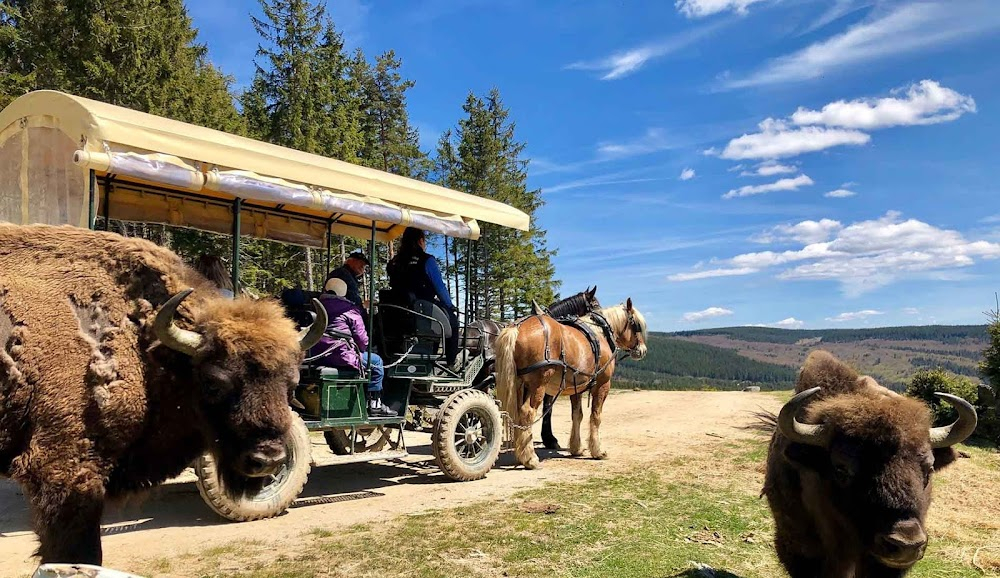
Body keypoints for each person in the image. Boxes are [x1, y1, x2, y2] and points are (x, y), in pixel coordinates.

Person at [310, 277, 393, 417]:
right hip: (340, 356)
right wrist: (363, 349)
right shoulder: (349, 309)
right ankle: (375, 404)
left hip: (315, 354)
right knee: (377, 361)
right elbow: (362, 340)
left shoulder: (316, 305)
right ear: (344, 292)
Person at [386, 227, 459, 367]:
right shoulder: (427, 260)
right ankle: (451, 362)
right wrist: (449, 306)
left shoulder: (394, 262)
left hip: (396, 312)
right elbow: (439, 287)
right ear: (421, 241)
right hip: (421, 309)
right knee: (453, 322)